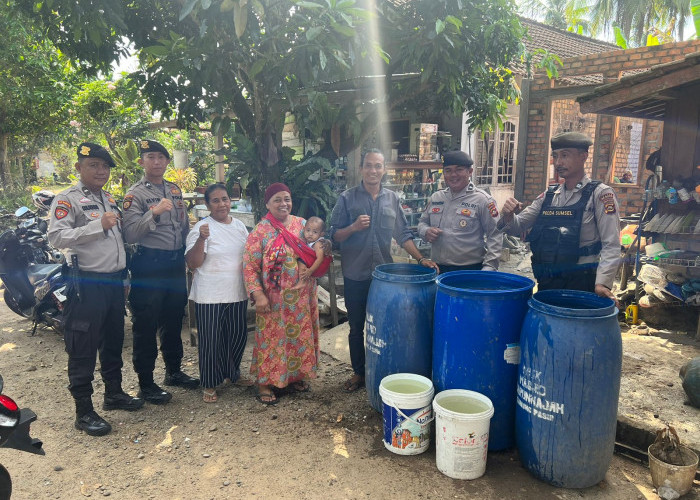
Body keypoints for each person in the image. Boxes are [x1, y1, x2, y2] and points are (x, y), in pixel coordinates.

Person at [48, 142, 143, 437]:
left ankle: (113, 393)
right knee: (83, 346)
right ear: (79, 168)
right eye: (94, 165)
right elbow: (56, 237)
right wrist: (96, 226)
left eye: (105, 166)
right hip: (86, 284)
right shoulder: (68, 200)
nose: (101, 171)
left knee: (113, 340)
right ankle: (84, 411)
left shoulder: (109, 199)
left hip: (114, 282)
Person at [328, 149, 439, 393]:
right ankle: (359, 372)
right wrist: (354, 227)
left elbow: (403, 234)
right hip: (355, 274)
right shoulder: (347, 198)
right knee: (356, 326)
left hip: (384, 278)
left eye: (378, 166)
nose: (373, 171)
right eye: (368, 165)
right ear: (361, 168)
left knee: (386, 324)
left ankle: (384, 368)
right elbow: (334, 235)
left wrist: (421, 259)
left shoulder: (392, 199)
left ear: (384, 170)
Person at [498, 132, 620, 303]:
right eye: (555, 156)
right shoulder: (549, 196)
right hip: (549, 280)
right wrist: (508, 215)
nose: (558, 162)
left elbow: (611, 244)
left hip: (582, 280)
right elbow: (517, 227)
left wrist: (603, 283)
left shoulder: (600, 195)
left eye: (565, 155)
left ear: (583, 156)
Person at [122, 139, 198, 405]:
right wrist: (153, 213)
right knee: (146, 323)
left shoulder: (175, 190)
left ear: (167, 162)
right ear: (142, 162)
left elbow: (183, 227)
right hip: (149, 265)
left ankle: (173, 372)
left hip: (174, 264)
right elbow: (130, 233)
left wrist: (189, 253)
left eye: (160, 157)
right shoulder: (135, 194)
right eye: (150, 157)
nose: (156, 162)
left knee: (174, 318)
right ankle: (145, 383)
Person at [243, 183, 320, 405]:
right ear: (267, 203)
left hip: (302, 299)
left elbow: (316, 248)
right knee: (271, 340)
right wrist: (258, 295)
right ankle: (266, 382)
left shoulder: (303, 225)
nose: (283, 203)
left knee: (298, 337)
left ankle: (295, 376)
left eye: (286, 198)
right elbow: (249, 266)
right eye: (277, 199)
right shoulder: (261, 231)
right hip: (274, 301)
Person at [185, 184, 251, 403]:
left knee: (237, 337)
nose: (221, 204)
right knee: (211, 340)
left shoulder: (240, 226)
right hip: (210, 294)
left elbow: (249, 258)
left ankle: (233, 374)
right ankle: (210, 383)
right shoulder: (202, 227)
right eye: (215, 200)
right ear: (207, 204)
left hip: (237, 292)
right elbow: (193, 263)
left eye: (225, 199)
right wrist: (202, 239)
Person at [417, 150, 502, 273]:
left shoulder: (483, 200)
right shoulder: (436, 197)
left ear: (470, 172)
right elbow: (422, 223)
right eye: (448, 170)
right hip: (438, 269)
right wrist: (426, 231)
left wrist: (489, 267)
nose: (453, 175)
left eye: (459, 170)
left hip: (470, 270)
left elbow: (495, 235)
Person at [292, 216, 326, 290]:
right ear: (304, 230)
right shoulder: (310, 241)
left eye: (315, 232)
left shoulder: (318, 244)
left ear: (321, 234)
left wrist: (310, 271)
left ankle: (302, 281)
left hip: (316, 265)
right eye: (308, 230)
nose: (310, 234)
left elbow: (320, 258)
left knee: (301, 260)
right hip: (312, 262)